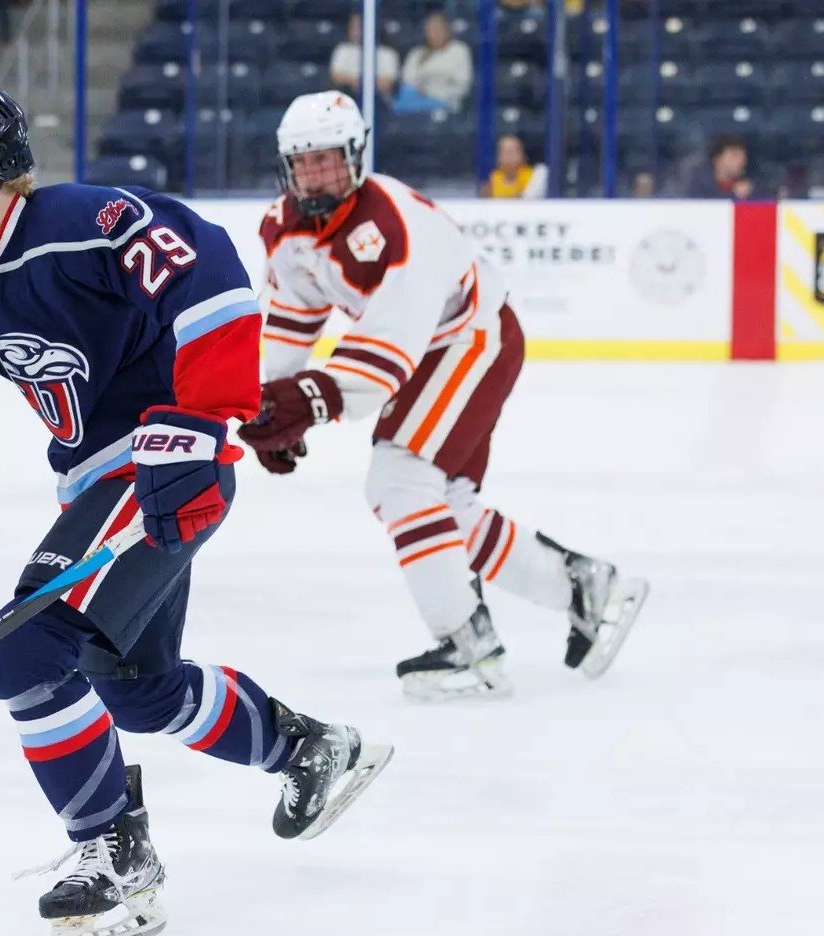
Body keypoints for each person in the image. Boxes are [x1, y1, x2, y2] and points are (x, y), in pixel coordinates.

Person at [0, 82, 392, 936]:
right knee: (133, 687)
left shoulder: (85, 221)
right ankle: (309, 750)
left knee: (23, 647)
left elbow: (211, 278)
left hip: (166, 466)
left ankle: (113, 855)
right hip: (101, 488)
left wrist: (197, 422)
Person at [238, 92, 649, 700]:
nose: (316, 174)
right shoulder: (284, 228)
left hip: (468, 340)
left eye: (328, 159)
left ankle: (469, 647)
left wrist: (308, 402)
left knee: (400, 483)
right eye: (304, 162)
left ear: (355, 156)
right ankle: (586, 587)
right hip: (439, 346)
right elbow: (292, 320)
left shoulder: (395, 226)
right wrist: (269, 403)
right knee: (441, 505)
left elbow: (385, 356)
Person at [396, 12, 472, 112]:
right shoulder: (417, 53)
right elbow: (407, 80)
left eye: (438, 29)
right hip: (417, 105)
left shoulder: (459, 50)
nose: (435, 34)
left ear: (447, 31)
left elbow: (462, 85)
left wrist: (430, 91)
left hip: (448, 106)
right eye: (431, 30)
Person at [329, 13, 397, 102]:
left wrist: (351, 79)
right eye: (352, 26)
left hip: (378, 102)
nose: (354, 31)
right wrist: (370, 82)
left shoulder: (388, 53)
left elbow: (386, 84)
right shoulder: (342, 49)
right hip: (347, 98)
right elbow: (336, 77)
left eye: (358, 27)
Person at [683, 134, 755, 200]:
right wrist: (733, 196)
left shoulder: (752, 187)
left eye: (743, 157)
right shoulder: (696, 186)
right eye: (734, 155)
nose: (740, 161)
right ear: (717, 158)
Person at [481, 133, 545, 198]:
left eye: (512, 151)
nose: (508, 156)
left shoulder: (533, 177)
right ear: (498, 157)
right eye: (504, 152)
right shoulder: (493, 178)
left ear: (522, 156)